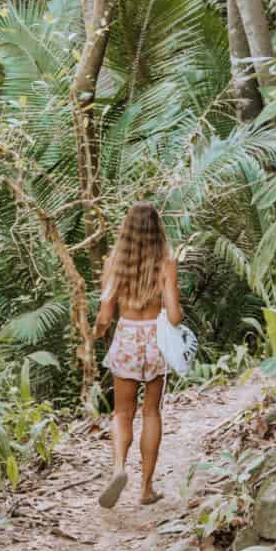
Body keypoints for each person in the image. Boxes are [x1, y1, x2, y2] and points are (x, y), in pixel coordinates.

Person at [94, 200, 182, 510]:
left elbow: (105, 314)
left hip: (128, 336)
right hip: (156, 339)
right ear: (158, 229)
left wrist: (95, 334)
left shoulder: (114, 262)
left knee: (121, 413)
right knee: (151, 412)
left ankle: (119, 468)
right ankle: (145, 488)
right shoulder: (166, 263)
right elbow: (173, 316)